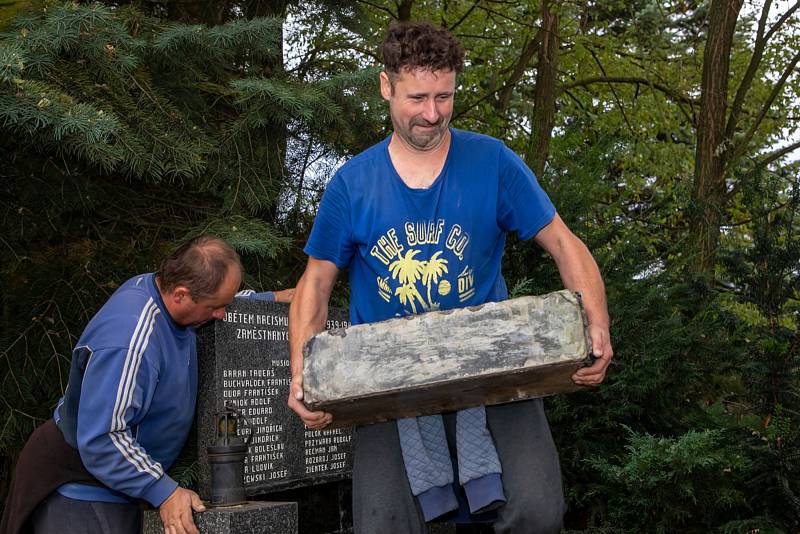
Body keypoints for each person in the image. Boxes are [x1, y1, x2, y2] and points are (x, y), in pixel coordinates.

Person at [287, 21, 613, 533]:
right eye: (418, 97)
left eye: (445, 96)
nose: (432, 113)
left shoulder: (493, 163)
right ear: (385, 85)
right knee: (383, 524)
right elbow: (315, 287)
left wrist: (597, 326)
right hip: (385, 383)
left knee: (537, 509)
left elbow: (565, 245)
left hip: (493, 370)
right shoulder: (352, 185)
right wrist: (304, 376)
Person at [0, 235, 292, 534]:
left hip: (122, 487)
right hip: (81, 488)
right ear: (180, 295)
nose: (221, 315)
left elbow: (215, 299)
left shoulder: (164, 288)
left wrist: (275, 299)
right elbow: (102, 437)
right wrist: (163, 490)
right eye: (216, 307)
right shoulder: (128, 342)